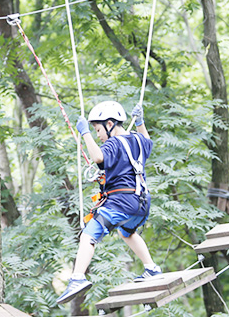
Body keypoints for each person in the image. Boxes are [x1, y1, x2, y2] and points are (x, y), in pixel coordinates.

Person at [57, 101, 161, 305]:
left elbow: (97, 157)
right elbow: (147, 141)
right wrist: (140, 123)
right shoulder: (137, 140)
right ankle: (151, 268)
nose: (98, 135)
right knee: (127, 233)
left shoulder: (113, 143)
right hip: (141, 204)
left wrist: (84, 133)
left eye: (98, 130)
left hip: (121, 202)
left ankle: (77, 278)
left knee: (89, 233)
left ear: (110, 124)